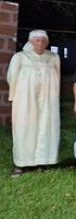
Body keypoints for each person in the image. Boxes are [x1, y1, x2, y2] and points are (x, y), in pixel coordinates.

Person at [7, 30, 60, 177]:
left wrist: (54, 97)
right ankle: (21, 163)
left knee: (45, 128)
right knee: (25, 128)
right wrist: (15, 98)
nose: (40, 43)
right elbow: (12, 77)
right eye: (37, 40)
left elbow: (57, 78)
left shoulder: (53, 57)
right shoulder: (20, 57)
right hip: (25, 99)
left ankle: (42, 161)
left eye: (44, 40)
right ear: (31, 42)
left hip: (48, 100)